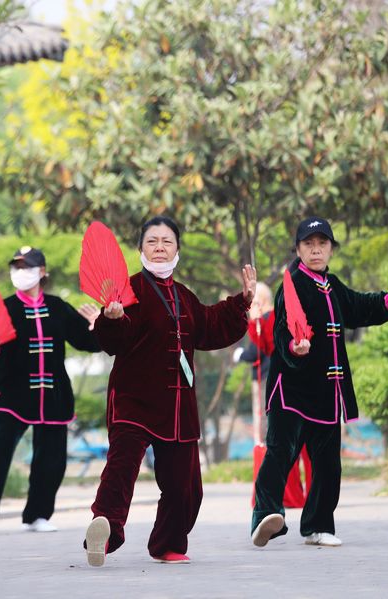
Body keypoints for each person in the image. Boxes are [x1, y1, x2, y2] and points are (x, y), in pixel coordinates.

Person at [84, 216, 255, 566]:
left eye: (167, 241)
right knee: (120, 470)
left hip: (178, 408)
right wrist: (112, 318)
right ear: (140, 249)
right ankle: (105, 530)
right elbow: (113, 341)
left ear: (177, 249)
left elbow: (211, 326)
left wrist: (242, 302)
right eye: (152, 241)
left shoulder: (185, 297)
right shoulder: (127, 292)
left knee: (186, 487)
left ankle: (167, 543)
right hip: (134, 401)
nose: (159, 247)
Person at [251, 217, 388, 548]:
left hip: (326, 392)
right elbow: (280, 333)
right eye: (309, 244)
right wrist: (294, 346)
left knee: (328, 464)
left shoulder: (332, 285)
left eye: (322, 244)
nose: (316, 250)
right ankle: (265, 515)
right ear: (298, 249)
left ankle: (317, 526)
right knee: (280, 453)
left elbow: (358, 306)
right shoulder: (290, 285)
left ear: (331, 249)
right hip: (291, 390)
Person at [0, 246, 100, 532]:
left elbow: (87, 342)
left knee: (51, 458)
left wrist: (99, 326)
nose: (21, 273)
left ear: (42, 272)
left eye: (27, 267)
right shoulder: (4, 308)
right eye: (17, 267)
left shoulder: (58, 307)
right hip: (15, 395)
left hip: (53, 395)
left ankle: (38, 515)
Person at [238, 282, 310, 508]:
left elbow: (261, 349)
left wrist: (254, 322)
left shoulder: (271, 318)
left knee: (276, 437)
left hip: (276, 382)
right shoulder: (265, 319)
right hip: (274, 381)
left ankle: (286, 493)